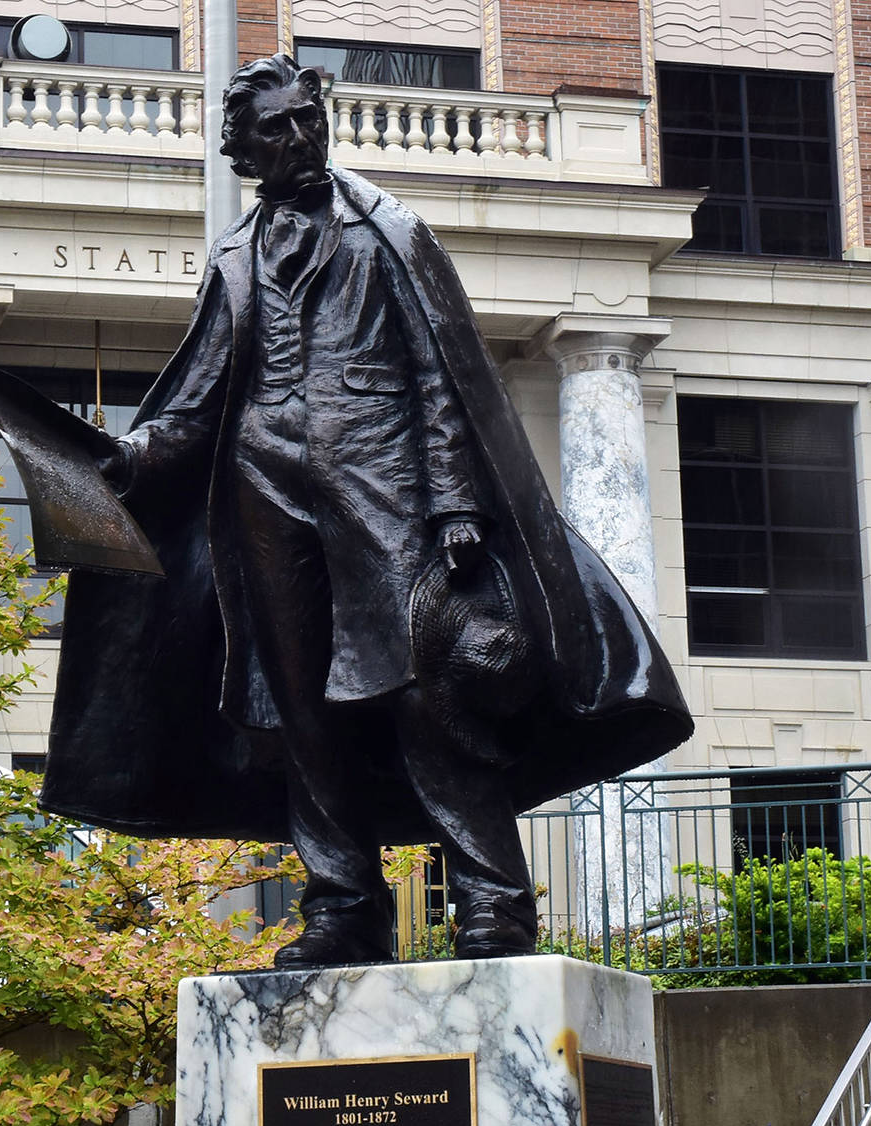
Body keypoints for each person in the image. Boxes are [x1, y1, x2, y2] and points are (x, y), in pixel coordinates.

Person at [37, 54, 693, 967]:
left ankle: (494, 907)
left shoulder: (389, 230)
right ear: (245, 149)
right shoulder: (233, 255)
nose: (301, 137)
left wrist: (457, 503)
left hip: (386, 490)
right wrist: (127, 456)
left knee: (433, 694)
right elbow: (194, 405)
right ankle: (343, 908)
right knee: (304, 708)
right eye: (278, 127)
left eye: (310, 118)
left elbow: (444, 376)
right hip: (266, 492)